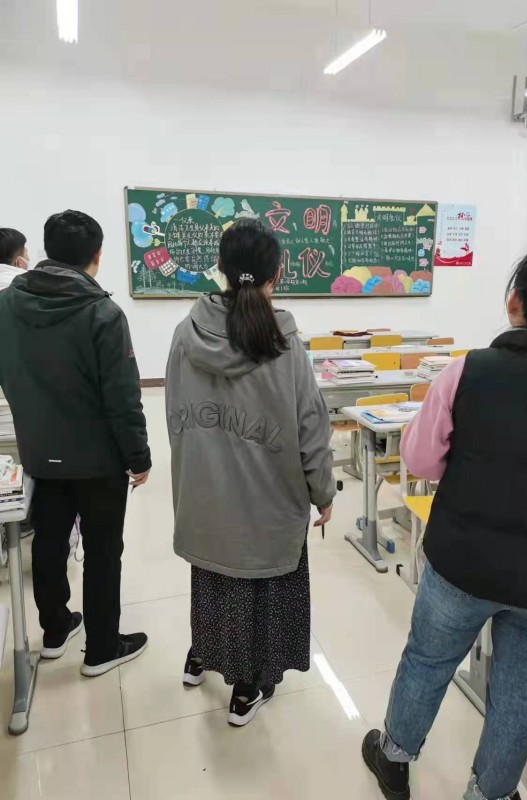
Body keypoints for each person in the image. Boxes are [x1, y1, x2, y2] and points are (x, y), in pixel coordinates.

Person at [362, 243, 527, 800]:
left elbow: (421, 462)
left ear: (515, 302)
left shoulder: (468, 372)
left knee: (427, 661)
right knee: (520, 692)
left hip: (463, 563)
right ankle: (489, 793)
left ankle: (394, 759)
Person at [166, 218, 335, 726]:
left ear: (219, 267)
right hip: (268, 504)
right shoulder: (284, 343)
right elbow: (311, 427)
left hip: (206, 496)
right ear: (276, 273)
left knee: (212, 579)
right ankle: (247, 688)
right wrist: (323, 491)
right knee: (261, 592)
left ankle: (201, 654)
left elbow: (175, 415)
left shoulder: (186, 334)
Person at [0, 210, 151, 677]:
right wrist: (138, 455)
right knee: (103, 551)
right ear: (97, 255)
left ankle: (55, 630)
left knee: (49, 541)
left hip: (38, 449)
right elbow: (122, 396)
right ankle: (102, 647)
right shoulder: (103, 312)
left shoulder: (7, 304)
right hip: (97, 458)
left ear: (45, 250)